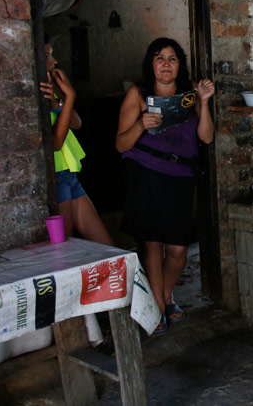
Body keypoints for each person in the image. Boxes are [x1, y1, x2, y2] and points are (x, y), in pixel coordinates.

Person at [115, 37, 214, 334]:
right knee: (152, 244)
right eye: (159, 58)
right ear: (151, 63)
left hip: (181, 178)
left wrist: (204, 103)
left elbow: (206, 138)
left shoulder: (189, 95)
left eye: (172, 58)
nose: (166, 64)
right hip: (146, 174)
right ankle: (158, 306)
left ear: (179, 64)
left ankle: (167, 294)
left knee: (178, 250)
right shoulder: (139, 93)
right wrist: (140, 125)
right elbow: (121, 143)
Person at [39, 36, 114, 246]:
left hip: (70, 175)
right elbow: (55, 144)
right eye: (46, 55)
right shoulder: (35, 93)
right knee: (66, 249)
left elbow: (77, 122)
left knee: (106, 247)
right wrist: (70, 96)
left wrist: (59, 103)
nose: (53, 61)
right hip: (56, 177)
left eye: (52, 54)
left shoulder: (51, 87)